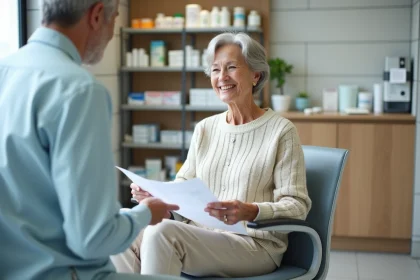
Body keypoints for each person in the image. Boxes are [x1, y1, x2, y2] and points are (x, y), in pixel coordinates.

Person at [0, 1, 182, 279]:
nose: (110, 36)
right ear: (97, 15)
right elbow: (93, 240)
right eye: (113, 22)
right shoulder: (79, 89)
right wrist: (145, 213)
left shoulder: (6, 70)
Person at [111, 32, 312, 278]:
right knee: (123, 224)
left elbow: (297, 206)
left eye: (231, 67)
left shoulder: (281, 131)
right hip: (200, 235)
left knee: (162, 234)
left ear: (256, 75)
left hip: (253, 244)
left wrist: (250, 210)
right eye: (215, 70)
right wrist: (158, 198)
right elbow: (183, 186)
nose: (222, 77)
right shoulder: (205, 128)